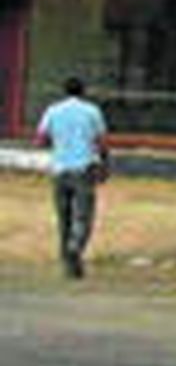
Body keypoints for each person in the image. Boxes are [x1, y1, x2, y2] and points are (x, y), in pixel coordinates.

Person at [35, 76, 109, 279]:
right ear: (83, 91)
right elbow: (102, 142)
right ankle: (75, 247)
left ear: (64, 91)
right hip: (84, 168)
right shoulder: (92, 111)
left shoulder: (53, 110)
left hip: (59, 169)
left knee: (64, 216)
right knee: (84, 216)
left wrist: (58, 144)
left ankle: (66, 260)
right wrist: (104, 165)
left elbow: (40, 140)